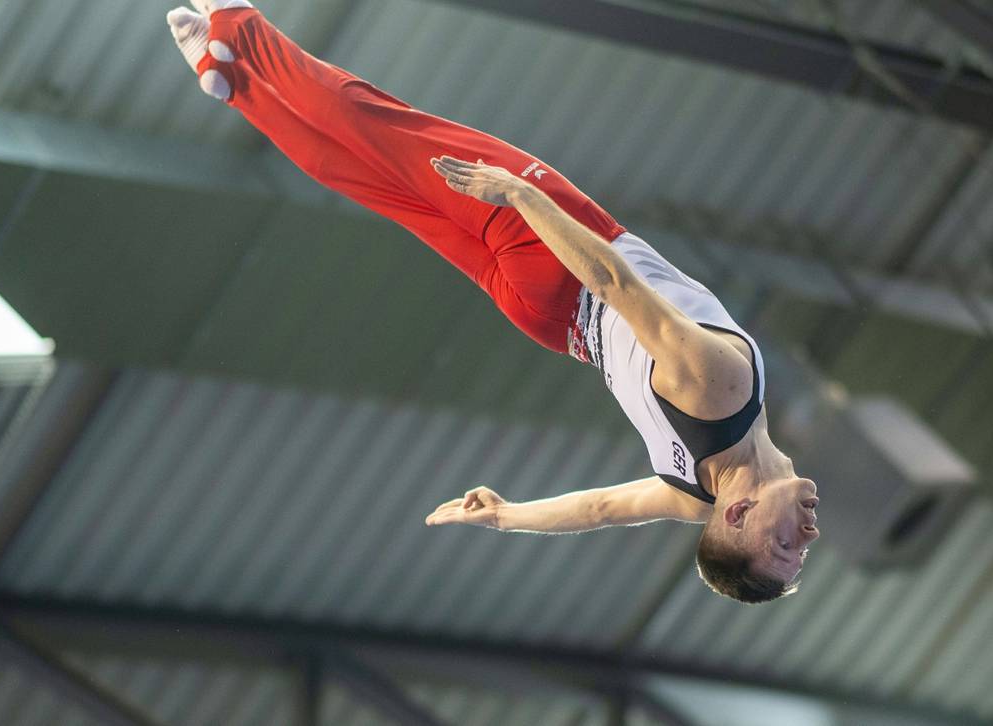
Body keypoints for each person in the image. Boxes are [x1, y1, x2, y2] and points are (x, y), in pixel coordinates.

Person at [168, 0, 818, 604]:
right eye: (800, 554)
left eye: (786, 546)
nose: (808, 537)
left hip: (559, 254)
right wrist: (507, 516)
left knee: (384, 130)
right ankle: (235, 85)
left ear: (739, 514)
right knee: (378, 186)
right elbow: (599, 510)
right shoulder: (694, 498)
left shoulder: (723, 388)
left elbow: (616, 284)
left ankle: (235, 21)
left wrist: (521, 196)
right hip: (550, 324)